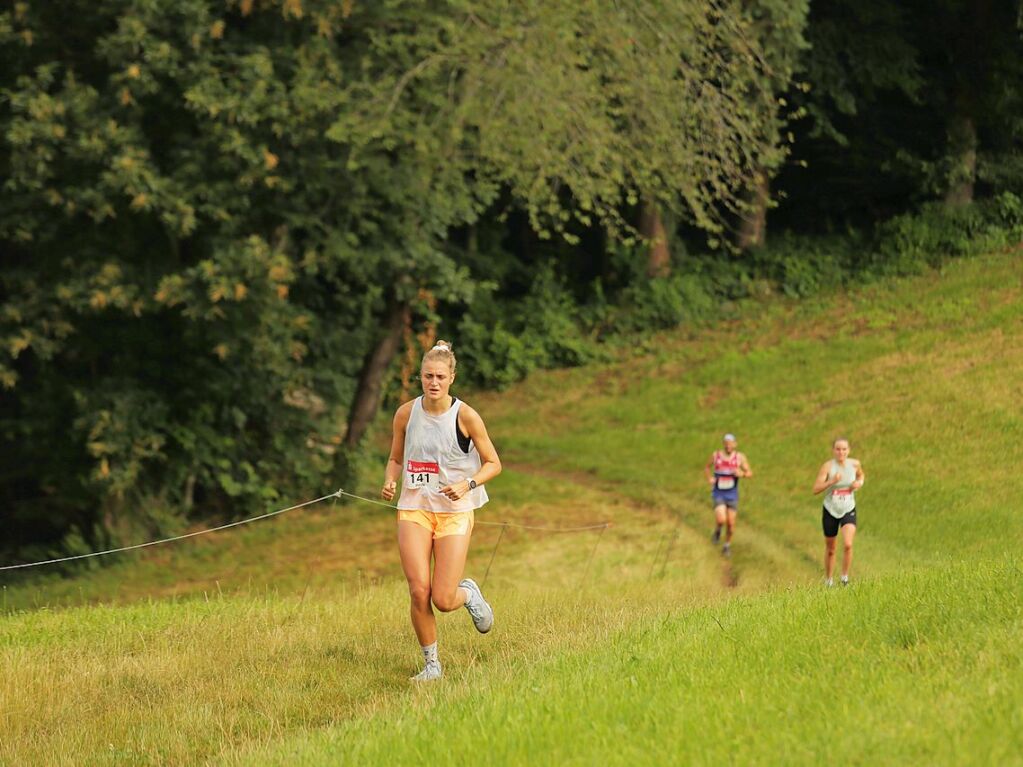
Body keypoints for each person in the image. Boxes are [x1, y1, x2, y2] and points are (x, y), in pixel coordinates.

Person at [382, 340, 502, 681]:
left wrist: (469, 484)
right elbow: (394, 458)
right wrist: (391, 481)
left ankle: (468, 593)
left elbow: (494, 463)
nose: (433, 383)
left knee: (443, 598)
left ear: (451, 378)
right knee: (419, 589)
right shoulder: (406, 413)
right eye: (427, 376)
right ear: (419, 377)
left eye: (440, 377)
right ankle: (432, 665)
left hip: (455, 512)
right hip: (414, 508)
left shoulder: (465, 416)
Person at [812, 437, 865, 587]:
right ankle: (829, 580)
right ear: (833, 450)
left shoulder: (855, 464)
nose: (841, 452)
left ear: (848, 450)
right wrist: (831, 482)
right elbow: (816, 488)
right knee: (831, 548)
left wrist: (858, 483)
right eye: (838, 449)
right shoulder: (828, 467)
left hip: (848, 507)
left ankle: (844, 578)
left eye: (844, 449)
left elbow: (861, 475)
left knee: (848, 544)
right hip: (830, 509)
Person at [704, 433, 752, 557]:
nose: (728, 446)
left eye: (730, 444)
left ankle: (726, 546)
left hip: (732, 494)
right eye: (726, 444)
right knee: (721, 519)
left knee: (731, 524)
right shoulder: (716, 455)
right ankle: (718, 531)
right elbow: (707, 468)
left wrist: (741, 474)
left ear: (735, 444)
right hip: (718, 493)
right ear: (723, 444)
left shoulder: (740, 457)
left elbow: (750, 473)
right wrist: (709, 478)